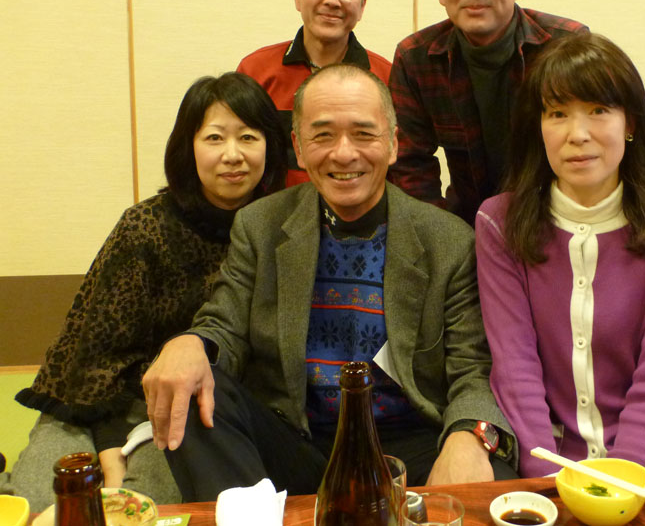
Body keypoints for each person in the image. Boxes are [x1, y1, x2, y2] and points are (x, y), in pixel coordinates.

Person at [142, 64, 517, 502]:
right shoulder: (261, 225)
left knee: (495, 475)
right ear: (299, 148)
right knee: (196, 390)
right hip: (296, 441)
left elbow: (473, 367)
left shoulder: (447, 240)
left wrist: (469, 435)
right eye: (323, 136)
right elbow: (224, 322)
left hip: (405, 443)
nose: (343, 154)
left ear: (393, 144)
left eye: (363, 134)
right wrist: (191, 342)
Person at [9, 73, 287, 510]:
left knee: (147, 508)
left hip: (193, 409)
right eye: (214, 138)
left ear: (271, 146)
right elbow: (96, 360)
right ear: (188, 147)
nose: (232, 155)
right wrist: (111, 456)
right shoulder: (145, 227)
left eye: (248, 137)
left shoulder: (280, 231)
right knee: (38, 506)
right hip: (94, 406)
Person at [475, 33, 645, 477]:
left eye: (599, 110)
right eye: (557, 113)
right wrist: (547, 478)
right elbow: (514, 368)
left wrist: (618, 487)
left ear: (630, 123)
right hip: (543, 460)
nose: (577, 135)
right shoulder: (500, 224)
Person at [389, 0, 588, 224]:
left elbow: (590, 150)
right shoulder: (416, 58)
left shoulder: (566, 45)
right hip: (465, 224)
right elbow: (410, 167)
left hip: (556, 221)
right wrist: (442, 237)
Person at [238, 0, 392, 187]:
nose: (333, 0)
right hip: (272, 209)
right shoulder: (256, 70)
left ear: (362, 5)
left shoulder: (386, 77)